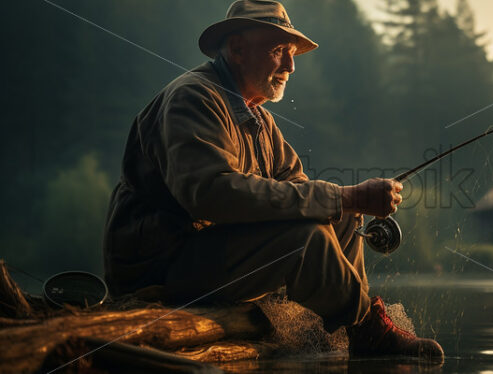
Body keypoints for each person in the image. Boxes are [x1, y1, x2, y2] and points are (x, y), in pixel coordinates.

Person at [103, 0, 443, 363]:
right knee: (304, 240)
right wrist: (344, 194)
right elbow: (212, 195)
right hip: (157, 269)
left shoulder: (259, 120)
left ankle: (353, 323)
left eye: (292, 54)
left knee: (341, 217)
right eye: (279, 50)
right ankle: (364, 328)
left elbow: (297, 190)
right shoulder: (193, 98)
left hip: (204, 254)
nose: (291, 65)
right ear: (237, 48)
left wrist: (345, 203)